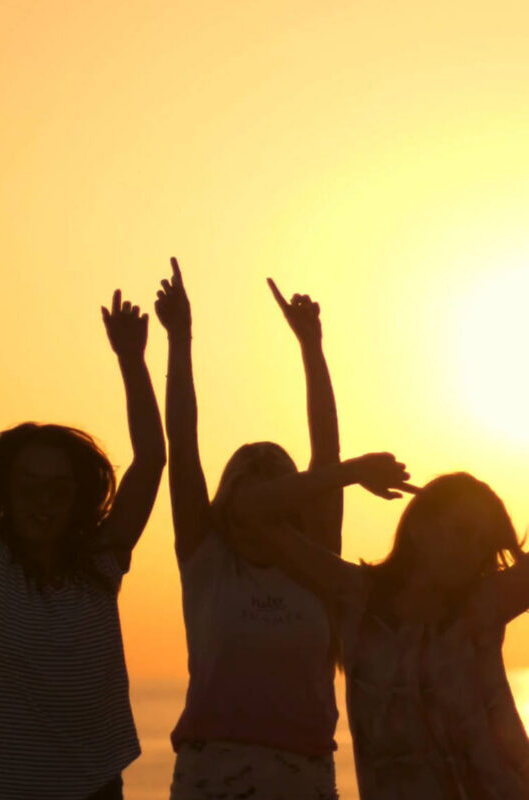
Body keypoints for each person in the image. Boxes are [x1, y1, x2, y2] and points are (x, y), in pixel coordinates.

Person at [155, 258, 410, 800]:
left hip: (304, 775)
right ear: (231, 499)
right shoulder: (206, 556)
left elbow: (326, 451)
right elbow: (183, 442)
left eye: (278, 483)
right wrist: (179, 339)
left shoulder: (314, 559)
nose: (263, 498)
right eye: (250, 483)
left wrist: (311, 347)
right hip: (210, 775)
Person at [0, 239, 166, 800]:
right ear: (5, 493)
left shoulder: (100, 564)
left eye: (59, 489)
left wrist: (132, 361)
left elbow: (152, 459)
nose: (43, 501)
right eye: (28, 486)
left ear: (78, 497)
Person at [231, 467, 529, 799]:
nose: (471, 551)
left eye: (483, 543)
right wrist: (353, 471)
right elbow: (248, 512)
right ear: (419, 529)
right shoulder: (357, 596)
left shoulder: (483, 604)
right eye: (461, 531)